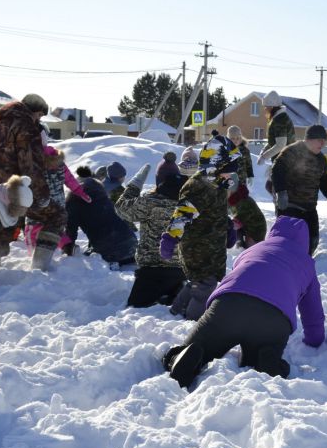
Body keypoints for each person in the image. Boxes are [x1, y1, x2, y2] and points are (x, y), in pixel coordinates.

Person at [162, 216, 325, 387]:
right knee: (262, 352)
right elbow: (312, 312)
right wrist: (315, 340)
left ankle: (185, 356)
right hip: (274, 319)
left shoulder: (253, 249)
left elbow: (237, 277)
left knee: (198, 346)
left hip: (228, 306)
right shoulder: (306, 264)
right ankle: (267, 362)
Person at [159, 135, 241, 320]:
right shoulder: (198, 186)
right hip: (198, 247)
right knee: (205, 286)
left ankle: (176, 310)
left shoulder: (218, 185)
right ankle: (194, 322)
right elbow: (182, 214)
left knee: (198, 282)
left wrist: (228, 227)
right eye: (227, 170)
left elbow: (214, 211)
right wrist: (170, 238)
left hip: (210, 246)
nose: (230, 175)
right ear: (215, 165)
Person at [0, 94, 50, 264]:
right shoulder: (26, 127)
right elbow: (30, 164)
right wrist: (41, 193)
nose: (38, 120)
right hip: (10, 191)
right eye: (38, 115)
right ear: (34, 111)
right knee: (3, 229)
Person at [115, 164, 188, 308]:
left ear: (158, 180)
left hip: (151, 272)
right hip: (181, 271)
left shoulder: (150, 202)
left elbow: (121, 208)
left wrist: (135, 185)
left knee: (137, 312)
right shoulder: (189, 204)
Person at [271, 124, 327, 255]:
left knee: (312, 239)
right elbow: (277, 170)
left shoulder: (321, 159)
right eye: (319, 140)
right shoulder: (292, 151)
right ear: (309, 139)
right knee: (288, 240)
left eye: (324, 140)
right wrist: (281, 192)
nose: (322, 143)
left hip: (309, 207)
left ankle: (304, 265)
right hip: (289, 205)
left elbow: (325, 181)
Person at [24, 144, 92, 270]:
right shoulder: (60, 164)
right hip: (58, 205)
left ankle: (34, 254)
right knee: (56, 229)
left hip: (39, 205)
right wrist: (80, 192)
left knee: (32, 228)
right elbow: (70, 180)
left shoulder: (34, 165)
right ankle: (69, 247)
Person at [64, 166, 137, 268]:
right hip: (132, 244)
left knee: (91, 255)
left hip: (110, 252)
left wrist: (67, 249)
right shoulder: (101, 193)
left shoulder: (73, 200)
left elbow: (71, 229)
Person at [256, 91, 295, 193]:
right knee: (270, 187)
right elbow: (273, 142)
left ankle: (282, 208)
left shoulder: (280, 120)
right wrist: (263, 151)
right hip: (282, 161)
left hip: (285, 163)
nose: (265, 109)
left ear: (272, 107)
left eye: (266, 106)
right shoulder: (277, 119)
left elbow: (280, 145)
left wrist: (265, 156)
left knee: (275, 190)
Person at [227, 174, 266, 249]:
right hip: (246, 227)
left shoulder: (243, 202)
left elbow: (236, 224)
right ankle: (241, 245)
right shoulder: (237, 198)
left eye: (227, 190)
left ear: (232, 190)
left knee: (251, 250)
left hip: (255, 231)